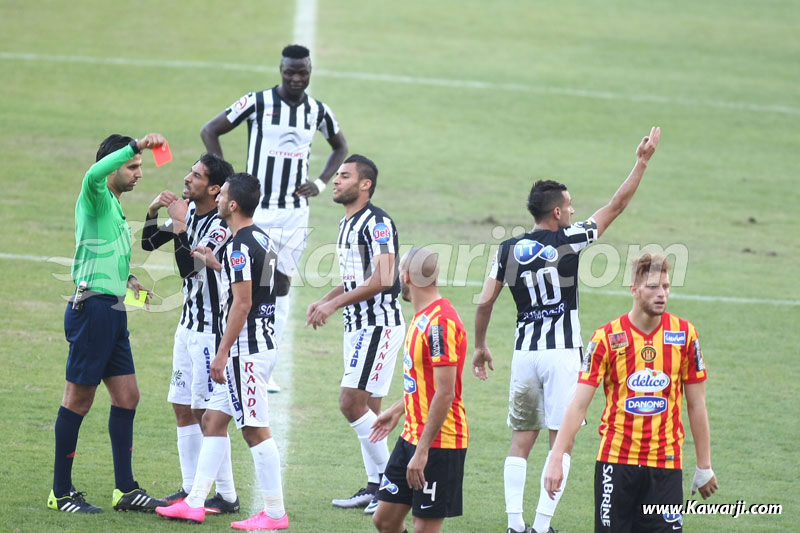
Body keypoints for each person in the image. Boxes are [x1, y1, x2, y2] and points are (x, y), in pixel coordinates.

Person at [472, 127, 661, 533]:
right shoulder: (570, 240)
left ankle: (514, 525)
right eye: (570, 207)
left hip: (525, 355)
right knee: (562, 440)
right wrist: (641, 161)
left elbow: (485, 301)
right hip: (562, 356)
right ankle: (541, 527)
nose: (574, 212)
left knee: (521, 441)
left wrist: (481, 345)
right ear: (556, 213)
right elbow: (617, 205)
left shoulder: (507, 250)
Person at [201, 43, 349, 393]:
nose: (296, 78)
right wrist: (228, 182)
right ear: (280, 69)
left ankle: (266, 367)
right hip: (257, 211)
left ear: (310, 70)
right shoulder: (257, 102)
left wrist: (320, 181)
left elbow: (340, 146)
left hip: (294, 214)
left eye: (303, 72)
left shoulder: (317, 111)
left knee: (280, 289)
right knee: (242, 283)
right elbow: (211, 130)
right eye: (289, 71)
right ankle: (230, 354)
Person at [544, 254, 718, 532]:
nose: (661, 294)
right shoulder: (606, 338)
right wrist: (556, 458)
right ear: (633, 289)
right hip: (616, 464)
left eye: (666, 286)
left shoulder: (685, 335)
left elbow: (697, 405)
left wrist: (704, 465)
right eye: (653, 287)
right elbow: (578, 405)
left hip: (666, 466)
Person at [156, 173, 289, 529]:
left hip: (246, 350)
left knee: (254, 429)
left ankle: (275, 513)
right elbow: (276, 286)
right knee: (212, 421)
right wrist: (222, 267)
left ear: (232, 204)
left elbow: (242, 304)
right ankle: (195, 501)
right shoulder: (262, 238)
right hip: (259, 342)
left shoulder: (239, 245)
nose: (217, 199)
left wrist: (223, 351)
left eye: (223, 194)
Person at [48, 133, 169, 513]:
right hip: (93, 312)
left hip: (112, 310)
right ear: (112, 166)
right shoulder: (96, 194)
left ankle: (125, 490)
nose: (139, 173)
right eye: (132, 167)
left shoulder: (115, 206)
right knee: (78, 400)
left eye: (140, 168)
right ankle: (61, 493)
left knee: (128, 396)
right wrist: (137, 144)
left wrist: (130, 284)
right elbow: (92, 173)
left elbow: (110, 261)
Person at [140, 153, 240, 513]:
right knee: (181, 406)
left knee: (206, 414)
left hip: (211, 330)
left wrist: (180, 224)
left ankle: (226, 494)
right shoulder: (192, 213)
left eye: (196, 176)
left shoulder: (219, 224)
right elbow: (150, 244)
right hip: (188, 326)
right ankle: (187, 487)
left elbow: (187, 268)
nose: (187, 179)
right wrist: (153, 213)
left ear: (214, 189)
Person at [306, 154, 404, 513]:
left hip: (378, 324)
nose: (335, 180)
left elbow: (383, 278)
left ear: (365, 185)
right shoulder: (347, 222)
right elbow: (354, 279)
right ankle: (376, 486)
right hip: (358, 327)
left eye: (344, 176)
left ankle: (394, 485)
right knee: (371, 410)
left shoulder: (377, 223)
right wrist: (326, 299)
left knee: (351, 404)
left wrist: (334, 305)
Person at [369, 247, 469, 533]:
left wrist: (423, 450)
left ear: (406, 277)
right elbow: (425, 382)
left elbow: (445, 392)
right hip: (412, 435)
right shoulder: (422, 316)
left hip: (439, 443)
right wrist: (397, 410)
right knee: (385, 519)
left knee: (424, 528)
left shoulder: (440, 323)